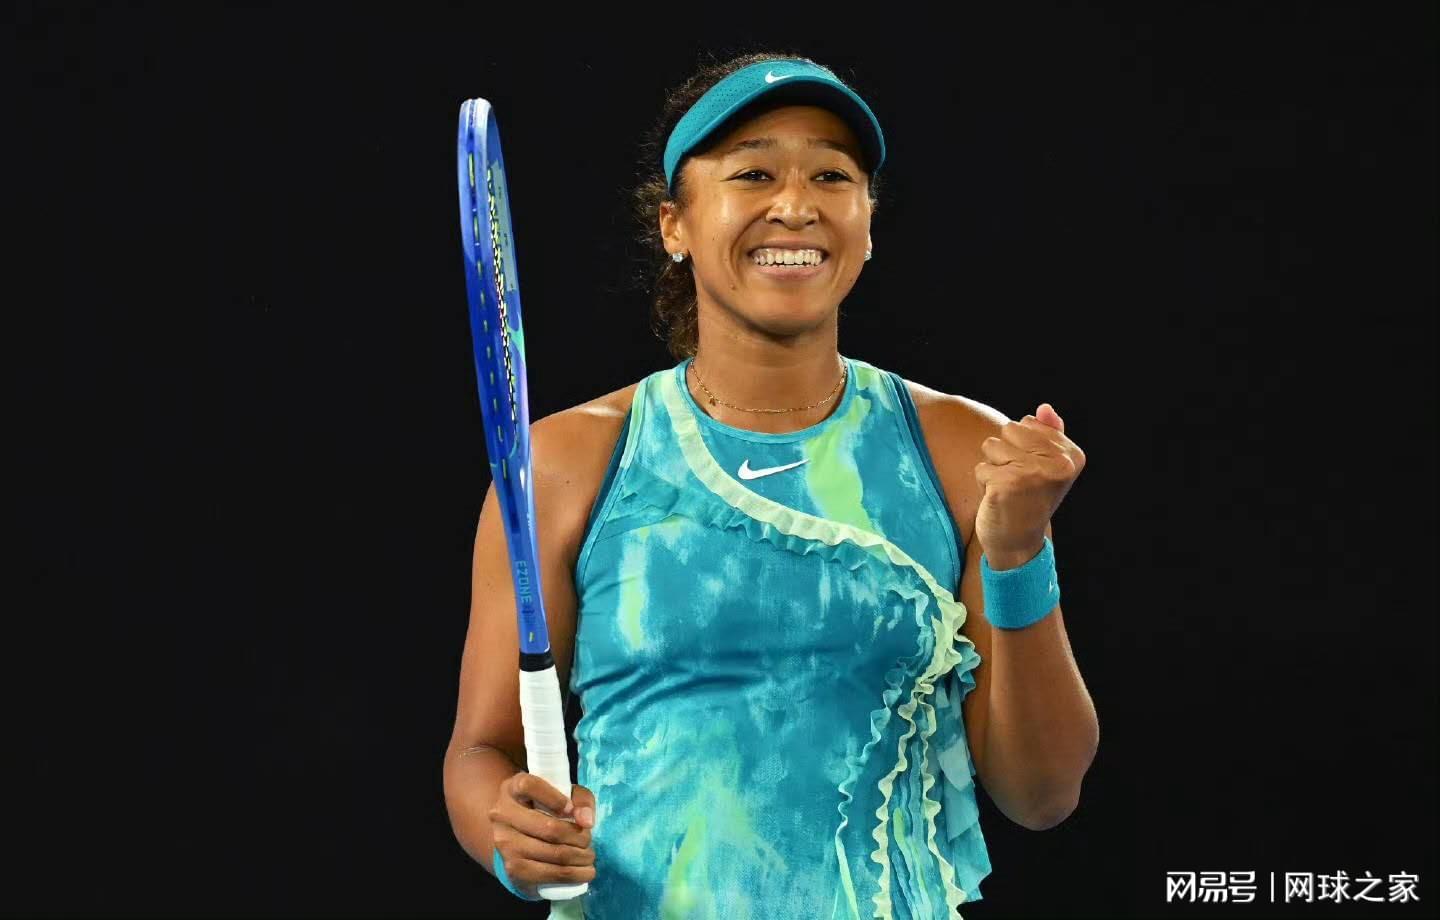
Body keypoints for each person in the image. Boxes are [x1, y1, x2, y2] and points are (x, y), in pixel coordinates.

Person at [443, 51, 1099, 920]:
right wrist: (509, 839)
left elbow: (1041, 794)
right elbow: (480, 752)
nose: (795, 205)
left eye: (832, 176)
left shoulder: (963, 452)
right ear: (675, 224)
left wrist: (1020, 551)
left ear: (867, 221)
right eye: (753, 173)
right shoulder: (564, 465)